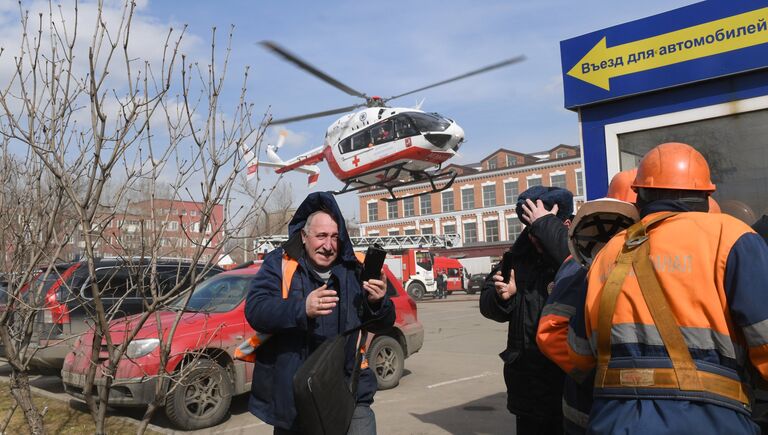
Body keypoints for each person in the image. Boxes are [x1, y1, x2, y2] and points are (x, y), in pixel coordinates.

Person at [566, 142, 768, 434]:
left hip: (616, 420)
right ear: (706, 193)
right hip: (711, 418)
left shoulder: (610, 252)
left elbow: (579, 354)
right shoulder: (732, 238)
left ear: (641, 195)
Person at [245, 192, 396, 435]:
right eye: (321, 236)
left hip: (349, 391)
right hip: (294, 398)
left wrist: (378, 303)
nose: (328, 246)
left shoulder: (354, 267)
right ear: (304, 236)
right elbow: (256, 310)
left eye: (335, 237)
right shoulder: (280, 263)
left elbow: (384, 324)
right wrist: (301, 308)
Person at [536, 169, 639, 435]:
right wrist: (603, 379)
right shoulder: (582, 262)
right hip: (594, 409)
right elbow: (552, 332)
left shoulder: (646, 254)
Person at [480, 185, 574, 435]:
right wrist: (505, 297)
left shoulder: (579, 252)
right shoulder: (519, 257)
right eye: (530, 230)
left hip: (568, 387)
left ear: (563, 224)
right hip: (528, 390)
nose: (533, 238)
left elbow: (582, 270)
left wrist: (547, 228)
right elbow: (487, 303)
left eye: (539, 228)